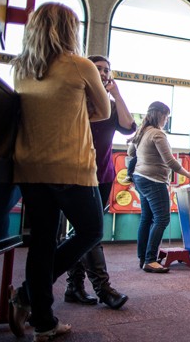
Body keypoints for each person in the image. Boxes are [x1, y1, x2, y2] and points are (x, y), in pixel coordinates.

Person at [9, 2, 110, 341]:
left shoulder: (21, 68)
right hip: (71, 166)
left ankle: (43, 321)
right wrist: (80, 111)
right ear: (69, 29)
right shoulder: (80, 65)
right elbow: (104, 110)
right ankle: (26, 294)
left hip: (30, 167)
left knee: (41, 243)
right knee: (92, 231)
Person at [62, 56, 134, 309]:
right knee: (89, 231)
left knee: (82, 231)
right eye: (98, 69)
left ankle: (74, 286)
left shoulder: (111, 105)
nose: (103, 73)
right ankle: (103, 289)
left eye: (107, 70)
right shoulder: (76, 98)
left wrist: (117, 93)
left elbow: (128, 126)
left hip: (102, 176)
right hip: (76, 173)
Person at [128, 101, 190, 273]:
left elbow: (131, 153)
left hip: (140, 178)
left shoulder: (141, 132)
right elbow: (170, 161)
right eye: (166, 116)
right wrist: (189, 175)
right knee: (162, 219)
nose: (166, 119)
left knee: (147, 219)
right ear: (159, 115)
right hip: (154, 180)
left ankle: (143, 257)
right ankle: (150, 260)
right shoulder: (157, 134)